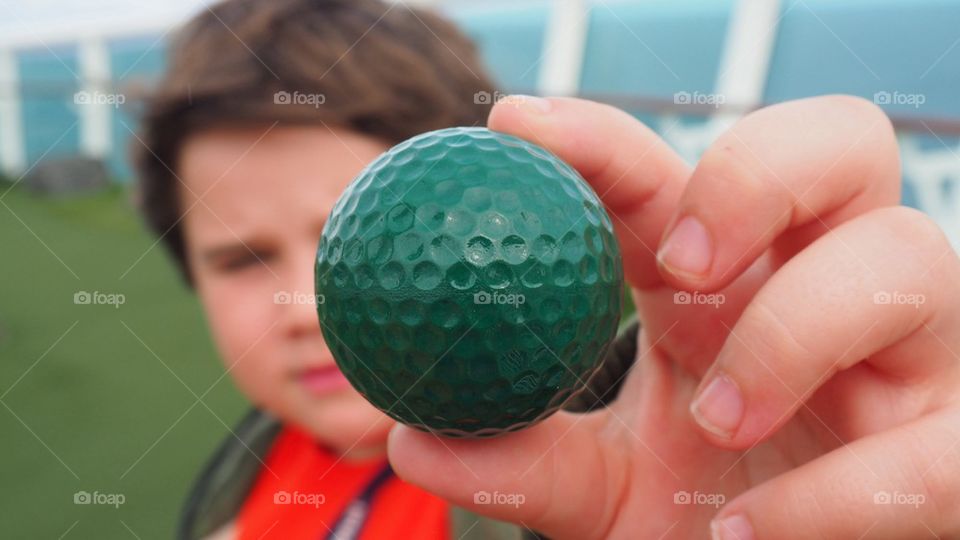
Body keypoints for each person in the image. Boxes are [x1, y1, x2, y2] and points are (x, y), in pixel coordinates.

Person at [134, 0, 960, 538]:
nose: (304, 307)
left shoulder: (594, 495)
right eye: (241, 260)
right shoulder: (243, 485)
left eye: (348, 239)